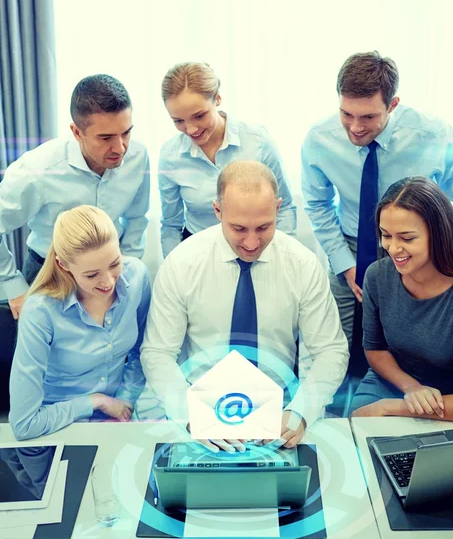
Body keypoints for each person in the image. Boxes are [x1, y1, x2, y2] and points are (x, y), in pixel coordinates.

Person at [141, 161, 348, 452]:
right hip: (201, 415)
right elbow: (157, 353)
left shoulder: (302, 265)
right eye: (238, 228)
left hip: (279, 417)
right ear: (217, 211)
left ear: (278, 208)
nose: (252, 242)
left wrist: (300, 412)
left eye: (264, 227)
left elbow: (331, 350)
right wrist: (191, 417)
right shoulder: (181, 264)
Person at [301, 51, 453, 347]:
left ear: (393, 105)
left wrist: (446, 254)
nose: (355, 127)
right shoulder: (319, 139)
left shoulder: (434, 135)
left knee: (409, 342)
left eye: (368, 116)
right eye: (346, 114)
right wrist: (345, 264)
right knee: (337, 342)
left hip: (421, 249)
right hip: (350, 246)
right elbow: (317, 204)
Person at [0, 74, 150, 319]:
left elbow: (136, 218)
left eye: (126, 133)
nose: (121, 147)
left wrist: (125, 270)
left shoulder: (138, 156)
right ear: (77, 132)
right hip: (51, 275)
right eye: (106, 138)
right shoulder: (36, 170)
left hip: (109, 273)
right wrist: (14, 287)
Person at [9, 205, 151, 440]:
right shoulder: (41, 310)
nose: (108, 282)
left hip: (117, 419)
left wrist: (123, 402)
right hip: (56, 426)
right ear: (63, 265)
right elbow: (24, 424)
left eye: (115, 263)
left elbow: (142, 351)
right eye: (91, 274)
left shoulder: (137, 276)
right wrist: (95, 402)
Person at [350, 177, 453, 421]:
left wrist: (393, 407)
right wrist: (411, 388)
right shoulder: (377, 275)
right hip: (392, 380)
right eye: (386, 235)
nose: (393, 248)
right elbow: (375, 350)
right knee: (358, 422)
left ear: (438, 234)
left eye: (407, 238)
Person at [158, 62, 296, 257]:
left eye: (199, 116)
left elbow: (285, 208)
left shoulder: (258, 142)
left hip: (257, 247)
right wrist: (172, 269)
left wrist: (282, 257)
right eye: (178, 121)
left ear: (217, 99)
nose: (191, 129)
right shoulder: (170, 155)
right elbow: (171, 225)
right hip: (199, 252)